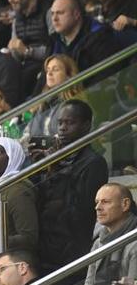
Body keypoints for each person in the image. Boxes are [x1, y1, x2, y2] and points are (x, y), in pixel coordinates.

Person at [34, 99, 109, 275]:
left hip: (71, 251)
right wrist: (40, 168)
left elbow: (80, 210)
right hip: (45, 245)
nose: (62, 128)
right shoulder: (55, 157)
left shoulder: (94, 162)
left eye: (70, 122)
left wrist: (55, 169)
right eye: (60, 122)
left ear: (86, 126)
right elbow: (40, 200)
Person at [70, 183, 137, 285]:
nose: (98, 208)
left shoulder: (134, 242)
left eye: (105, 202)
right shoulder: (98, 243)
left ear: (125, 204)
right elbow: (89, 284)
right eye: (96, 202)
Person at [48, 0, 120, 72]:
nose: (54, 19)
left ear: (76, 14)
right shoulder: (54, 43)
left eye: (60, 13)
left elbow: (106, 76)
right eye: (52, 14)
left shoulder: (101, 37)